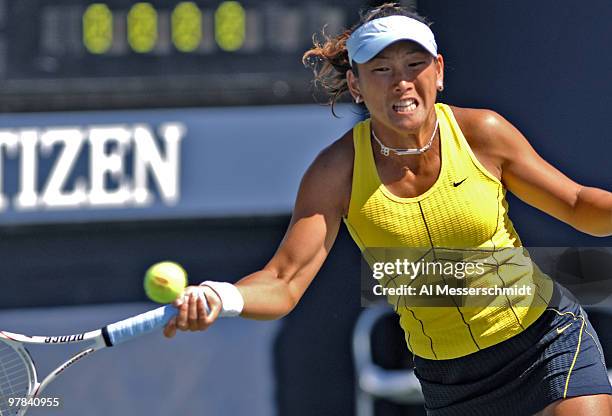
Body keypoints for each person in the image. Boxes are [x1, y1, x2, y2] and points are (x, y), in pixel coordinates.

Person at [163, 3, 612, 415]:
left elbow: (576, 204)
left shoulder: (484, 133)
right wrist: (223, 297)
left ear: (437, 72)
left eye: (414, 65)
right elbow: (282, 281)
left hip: (545, 341)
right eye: (381, 69)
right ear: (356, 85)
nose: (401, 81)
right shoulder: (334, 172)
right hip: (453, 381)